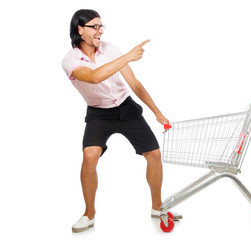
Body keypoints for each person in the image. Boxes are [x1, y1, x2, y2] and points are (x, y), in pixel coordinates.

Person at [62, 9, 182, 233]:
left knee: (154, 154)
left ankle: (157, 207)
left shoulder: (110, 48)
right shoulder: (70, 60)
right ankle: (89, 214)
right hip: (99, 113)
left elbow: (133, 83)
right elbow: (95, 76)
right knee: (89, 156)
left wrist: (157, 111)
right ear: (80, 29)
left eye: (101, 26)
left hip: (127, 108)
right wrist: (127, 56)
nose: (100, 31)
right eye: (94, 26)